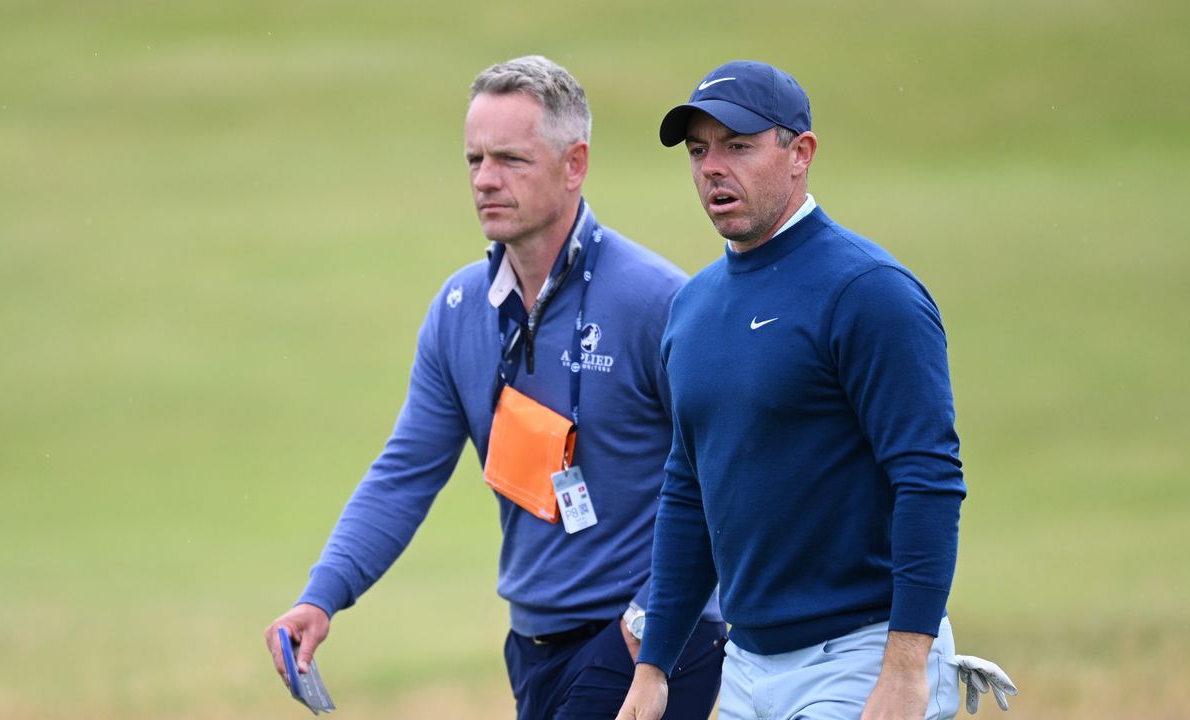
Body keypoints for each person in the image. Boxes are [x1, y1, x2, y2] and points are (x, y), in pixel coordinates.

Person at [264, 55, 725, 720]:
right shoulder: (459, 310)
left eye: (510, 159)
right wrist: (322, 595)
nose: (485, 180)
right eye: (474, 160)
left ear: (575, 165)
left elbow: (724, 471)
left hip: (648, 638)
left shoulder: (657, 301)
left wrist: (651, 615)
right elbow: (406, 471)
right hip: (533, 644)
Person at [616, 60, 970, 720]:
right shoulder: (691, 309)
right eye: (699, 151)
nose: (713, 168)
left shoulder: (868, 292)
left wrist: (905, 668)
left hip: (861, 659)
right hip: (746, 668)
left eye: (739, 146)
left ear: (800, 153)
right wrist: (654, 666)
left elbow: (928, 479)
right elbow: (689, 488)